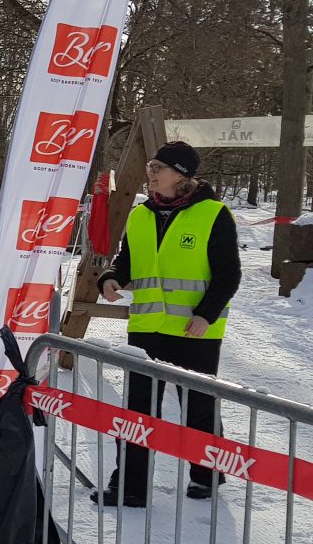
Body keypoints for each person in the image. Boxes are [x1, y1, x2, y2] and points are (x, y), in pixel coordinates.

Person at [92, 141, 241, 506]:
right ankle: (130, 486)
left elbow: (228, 274)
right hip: (146, 330)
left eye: (158, 168)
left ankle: (207, 474)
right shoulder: (140, 215)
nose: (151, 173)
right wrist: (111, 278)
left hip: (195, 331)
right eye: (151, 167)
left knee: (198, 408)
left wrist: (205, 314)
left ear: (181, 175)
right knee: (137, 409)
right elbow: (126, 261)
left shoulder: (214, 213)